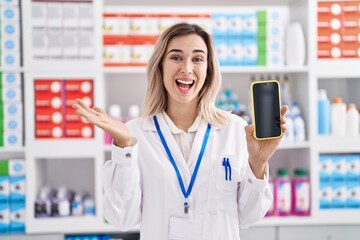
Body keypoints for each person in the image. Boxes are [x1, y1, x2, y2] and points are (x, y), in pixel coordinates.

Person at [73, 23, 287, 240]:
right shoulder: (135, 133)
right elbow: (122, 219)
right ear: (160, 66)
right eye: (176, 57)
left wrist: (258, 162)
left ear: (208, 69)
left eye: (197, 59)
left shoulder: (235, 129)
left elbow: (249, 216)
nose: (186, 68)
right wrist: (124, 148)